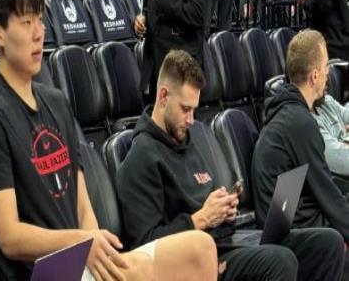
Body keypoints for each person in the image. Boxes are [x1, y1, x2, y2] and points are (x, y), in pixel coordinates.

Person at [0, 0, 219, 281]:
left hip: (78, 260)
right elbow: (9, 236)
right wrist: (82, 242)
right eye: (26, 22)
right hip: (42, 273)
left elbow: (82, 204)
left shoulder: (56, 102)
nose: (38, 33)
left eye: (40, 20)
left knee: (200, 249)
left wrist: (96, 252)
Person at [117, 49, 345, 281]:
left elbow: (207, 208)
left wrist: (224, 211)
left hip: (225, 242)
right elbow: (144, 248)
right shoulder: (141, 158)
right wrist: (201, 219)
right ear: (163, 96)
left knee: (327, 244)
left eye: (194, 110)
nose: (191, 120)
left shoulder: (188, 138)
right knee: (280, 261)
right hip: (195, 263)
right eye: (185, 109)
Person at [252, 30, 349, 278]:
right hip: (289, 234)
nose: (328, 74)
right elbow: (327, 194)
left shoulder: (289, 113)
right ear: (315, 75)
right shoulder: (300, 123)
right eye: (325, 67)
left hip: (297, 222)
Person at [313, 93, 349, 180]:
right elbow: (346, 161)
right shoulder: (308, 121)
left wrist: (345, 141)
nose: (327, 86)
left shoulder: (327, 100)